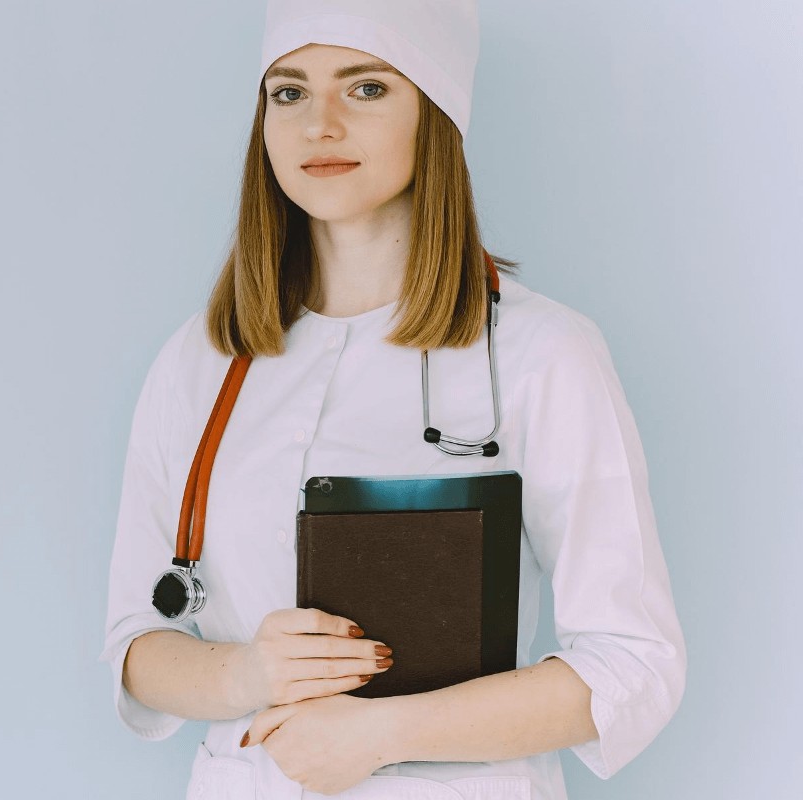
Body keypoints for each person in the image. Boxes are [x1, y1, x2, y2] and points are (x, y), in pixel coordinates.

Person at [96, 2, 687, 798]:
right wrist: (246, 672)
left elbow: (632, 662)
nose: (320, 126)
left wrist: (382, 732)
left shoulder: (542, 355)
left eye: (366, 89)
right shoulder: (202, 361)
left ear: (433, 116)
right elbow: (138, 643)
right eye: (289, 93)